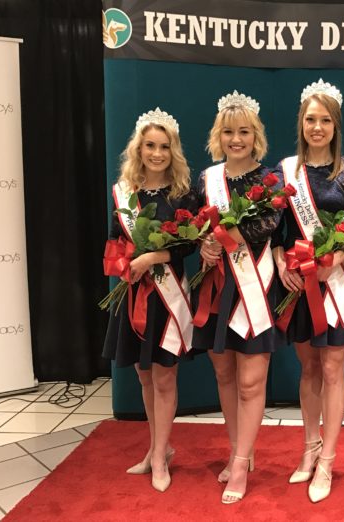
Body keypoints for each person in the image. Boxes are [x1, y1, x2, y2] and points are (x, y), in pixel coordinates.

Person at [272, 79, 344, 503]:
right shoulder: (284, 171)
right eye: (310, 119)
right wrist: (280, 263)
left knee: (333, 370)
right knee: (308, 369)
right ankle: (309, 449)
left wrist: (337, 260)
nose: (317, 127)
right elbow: (276, 230)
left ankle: (328, 460)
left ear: (336, 125)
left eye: (325, 120)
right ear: (301, 123)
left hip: (337, 284)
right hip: (298, 283)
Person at [191, 91, 284, 504]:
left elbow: (268, 225)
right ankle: (236, 451)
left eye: (244, 131)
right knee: (224, 375)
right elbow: (196, 226)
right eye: (228, 131)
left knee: (250, 381)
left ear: (255, 135)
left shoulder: (271, 181)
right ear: (218, 135)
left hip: (254, 286)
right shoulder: (206, 179)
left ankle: (242, 462)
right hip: (216, 287)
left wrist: (221, 238)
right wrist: (203, 246)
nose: (236, 139)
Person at [102, 107, 197, 493]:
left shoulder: (183, 194)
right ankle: (160, 447)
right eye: (149, 146)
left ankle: (158, 458)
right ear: (138, 149)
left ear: (172, 150)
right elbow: (114, 240)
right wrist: (126, 262)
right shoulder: (126, 193)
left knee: (164, 375)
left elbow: (189, 243)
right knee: (144, 375)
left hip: (168, 298)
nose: (156, 153)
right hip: (135, 293)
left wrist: (150, 257)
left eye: (163, 147)